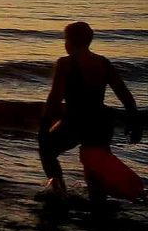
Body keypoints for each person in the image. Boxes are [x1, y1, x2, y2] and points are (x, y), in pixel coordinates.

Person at [39, 21, 142, 196]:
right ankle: (97, 200)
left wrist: (44, 125)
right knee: (94, 162)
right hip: (101, 122)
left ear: (69, 42)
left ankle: (57, 191)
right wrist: (135, 121)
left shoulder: (65, 63)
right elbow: (124, 93)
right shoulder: (103, 62)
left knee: (46, 149)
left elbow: (55, 98)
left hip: (75, 121)